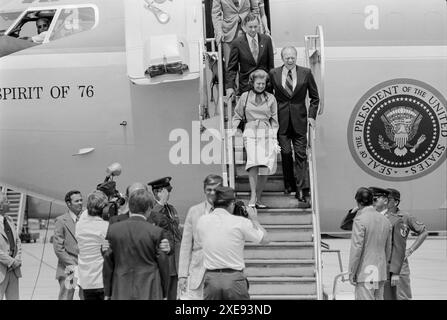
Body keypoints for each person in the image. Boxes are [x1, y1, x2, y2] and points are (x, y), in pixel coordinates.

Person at [196, 186, 269, 300]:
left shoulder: (202, 221)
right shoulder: (240, 222)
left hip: (211, 279)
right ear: (231, 204)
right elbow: (265, 239)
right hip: (234, 278)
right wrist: (254, 219)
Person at [269, 46, 320, 205]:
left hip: (300, 120)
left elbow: (315, 98)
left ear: (296, 57)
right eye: (287, 58)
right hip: (281, 121)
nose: (290, 60)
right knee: (285, 154)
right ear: (282, 58)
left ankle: (300, 189)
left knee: (300, 155)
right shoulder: (274, 73)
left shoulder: (306, 73)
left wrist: (312, 117)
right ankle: (288, 184)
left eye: (292, 57)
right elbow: (269, 96)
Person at [103, 189, 170, 300]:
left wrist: (108, 292)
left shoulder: (113, 229)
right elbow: (163, 264)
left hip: (120, 288)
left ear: (130, 206)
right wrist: (165, 293)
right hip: (149, 289)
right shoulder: (156, 232)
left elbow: (108, 263)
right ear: (149, 208)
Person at [231, 69, 279, 207]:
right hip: (250, 132)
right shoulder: (245, 97)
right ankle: (252, 197)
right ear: (252, 83)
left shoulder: (271, 98)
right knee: (253, 163)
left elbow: (274, 119)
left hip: (266, 132)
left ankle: (258, 197)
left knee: (265, 166)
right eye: (258, 84)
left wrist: (274, 136)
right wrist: (234, 129)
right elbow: (237, 115)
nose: (260, 86)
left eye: (263, 84)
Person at [178, 174, 223, 300]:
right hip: (197, 273)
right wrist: (182, 275)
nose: (212, 193)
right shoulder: (194, 211)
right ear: (204, 190)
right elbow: (186, 245)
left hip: (222, 273)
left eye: (216, 189)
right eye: (209, 189)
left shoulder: (230, 210)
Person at [348, 187, 392, 300]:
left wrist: (352, 271)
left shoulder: (360, 220)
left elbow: (357, 248)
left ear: (357, 202)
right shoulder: (385, 220)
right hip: (380, 270)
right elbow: (388, 249)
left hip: (366, 271)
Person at [386, 188, 428, 300]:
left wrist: (410, 250)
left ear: (396, 202)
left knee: (402, 295)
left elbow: (423, 232)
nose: (385, 201)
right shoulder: (380, 216)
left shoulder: (405, 216)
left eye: (388, 199)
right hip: (383, 263)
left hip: (400, 264)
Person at [147, 176, 182, 300]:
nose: (169, 193)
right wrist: (160, 203)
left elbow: (176, 232)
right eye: (167, 191)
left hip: (175, 262)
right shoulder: (152, 211)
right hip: (162, 262)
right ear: (158, 192)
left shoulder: (171, 209)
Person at [226, 13, 274, 98]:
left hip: (264, 86)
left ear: (259, 26)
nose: (253, 30)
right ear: (244, 27)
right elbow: (232, 68)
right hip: (246, 87)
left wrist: (273, 85)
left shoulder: (266, 40)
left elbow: (271, 66)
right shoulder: (237, 43)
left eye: (255, 27)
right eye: (250, 27)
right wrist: (230, 87)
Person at [75, 190, 109, 300]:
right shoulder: (106, 227)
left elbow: (87, 214)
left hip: (86, 281)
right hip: (102, 280)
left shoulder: (79, 225)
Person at [53, 190, 84, 300]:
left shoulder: (85, 219)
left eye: (81, 200)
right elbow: (58, 248)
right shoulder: (61, 221)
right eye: (77, 201)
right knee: (66, 297)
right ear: (68, 204)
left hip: (85, 267)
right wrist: (73, 265)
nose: (80, 203)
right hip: (68, 269)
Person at [211, 0, 260, 68]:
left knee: (250, 65)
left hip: (247, 31)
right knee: (230, 66)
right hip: (228, 33)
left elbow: (255, 9)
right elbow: (215, 14)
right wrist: (219, 32)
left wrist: (251, 24)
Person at [0, 193, 21, 300]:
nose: (10, 203)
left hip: (13, 271)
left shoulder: (9, 220)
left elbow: (17, 241)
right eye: (7, 201)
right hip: (2, 269)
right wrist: (11, 262)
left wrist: (17, 258)